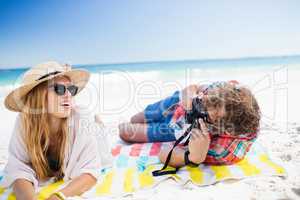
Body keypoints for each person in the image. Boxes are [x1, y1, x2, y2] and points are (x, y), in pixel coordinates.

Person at [1, 61, 112, 200]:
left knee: (100, 142)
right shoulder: (25, 121)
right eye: (59, 89)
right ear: (39, 95)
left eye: (71, 89)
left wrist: (58, 196)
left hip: (93, 137)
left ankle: (98, 124)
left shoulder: (80, 118)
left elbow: (91, 172)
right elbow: (18, 170)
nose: (68, 95)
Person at [119, 81, 260, 167]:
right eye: (208, 101)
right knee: (134, 119)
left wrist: (193, 158)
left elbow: (163, 155)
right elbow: (193, 88)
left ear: (224, 130)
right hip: (174, 103)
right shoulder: (226, 91)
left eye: (209, 114)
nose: (200, 106)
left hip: (180, 128)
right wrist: (189, 97)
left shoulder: (222, 151)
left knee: (125, 131)